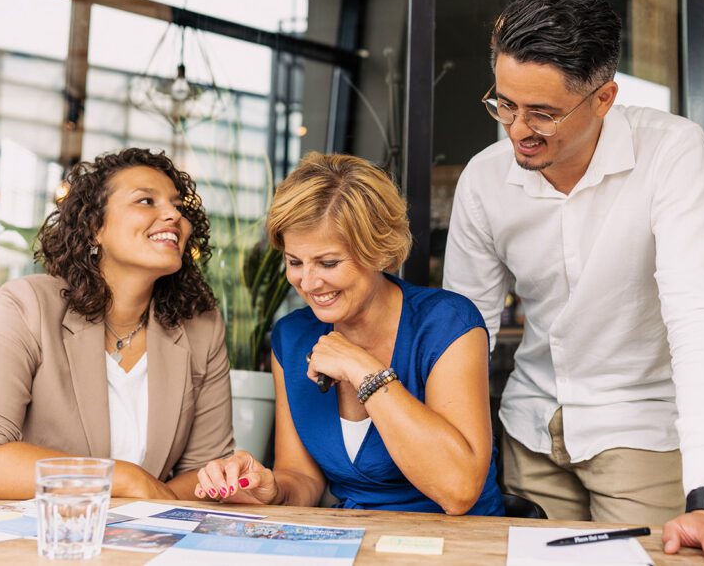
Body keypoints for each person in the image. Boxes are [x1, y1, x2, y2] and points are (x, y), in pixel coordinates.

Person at [444, 0, 704, 565]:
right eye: (505, 104)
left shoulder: (671, 153)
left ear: (604, 98)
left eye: (543, 113)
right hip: (528, 430)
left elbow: (699, 318)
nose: (517, 130)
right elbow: (463, 332)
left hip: (640, 428)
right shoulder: (484, 180)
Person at [193, 152, 504, 516]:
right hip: (356, 537)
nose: (308, 282)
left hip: (459, 538)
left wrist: (363, 370)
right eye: (295, 262)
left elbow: (459, 490)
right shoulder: (292, 338)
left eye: (328, 263)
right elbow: (301, 478)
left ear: (379, 251)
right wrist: (270, 488)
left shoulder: (447, 324)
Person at [0, 148, 233, 499]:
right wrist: (121, 479)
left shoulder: (201, 328)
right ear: (95, 227)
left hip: (142, 532)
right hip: (38, 529)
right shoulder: (27, 306)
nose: (174, 215)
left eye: (179, 206)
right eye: (146, 201)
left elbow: (206, 472)